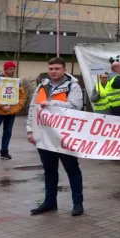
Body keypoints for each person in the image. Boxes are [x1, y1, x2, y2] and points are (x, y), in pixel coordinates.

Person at [26, 57, 85, 216]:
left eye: (57, 68)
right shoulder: (42, 86)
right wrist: (30, 131)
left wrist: (52, 104)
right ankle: (49, 202)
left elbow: (75, 106)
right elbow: (33, 108)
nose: (53, 71)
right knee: (49, 171)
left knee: (72, 170)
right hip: (44, 136)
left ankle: (77, 203)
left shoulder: (73, 87)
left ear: (64, 70)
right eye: (51, 69)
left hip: (65, 137)